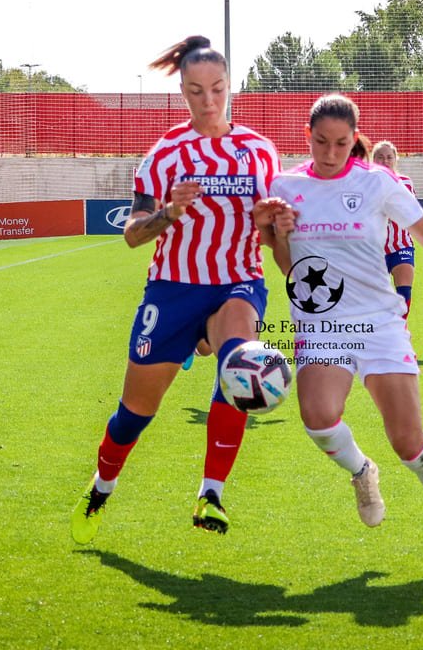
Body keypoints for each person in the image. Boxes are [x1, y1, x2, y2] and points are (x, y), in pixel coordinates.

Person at [262, 94, 423, 571]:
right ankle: (362, 471)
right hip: (322, 323)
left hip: (380, 322)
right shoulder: (285, 186)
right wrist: (279, 233)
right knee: (318, 418)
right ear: (307, 136)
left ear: (355, 140)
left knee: (409, 441)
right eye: (321, 141)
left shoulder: (376, 182)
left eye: (342, 143)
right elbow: (288, 267)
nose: (330, 152)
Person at [71, 36, 281, 544]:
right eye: (195, 91)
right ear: (181, 92)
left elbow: (274, 230)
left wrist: (272, 221)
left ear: (230, 86)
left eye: (217, 89)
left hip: (238, 281)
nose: (208, 102)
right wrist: (169, 212)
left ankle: (211, 493)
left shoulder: (258, 151)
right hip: (172, 290)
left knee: (239, 366)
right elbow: (131, 235)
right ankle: (101, 488)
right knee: (133, 415)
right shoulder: (165, 154)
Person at [371, 140, 416, 317]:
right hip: (374, 249)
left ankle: (400, 333)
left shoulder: (406, 182)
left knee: (404, 296)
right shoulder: (365, 183)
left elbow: (412, 212)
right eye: (380, 157)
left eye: (389, 157)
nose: (385, 160)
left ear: (396, 159)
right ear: (373, 159)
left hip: (401, 245)